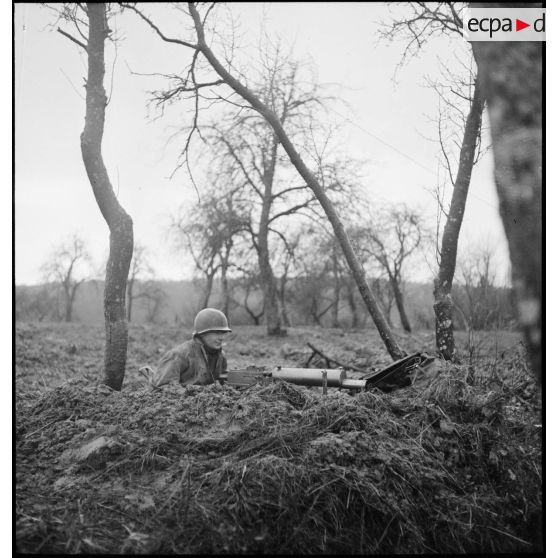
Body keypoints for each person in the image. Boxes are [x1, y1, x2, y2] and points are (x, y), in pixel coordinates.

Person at [140, 308, 230, 388]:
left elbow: (222, 382)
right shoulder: (179, 355)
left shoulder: (221, 356)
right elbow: (165, 388)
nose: (221, 338)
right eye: (217, 333)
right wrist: (196, 392)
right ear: (202, 334)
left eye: (223, 333)